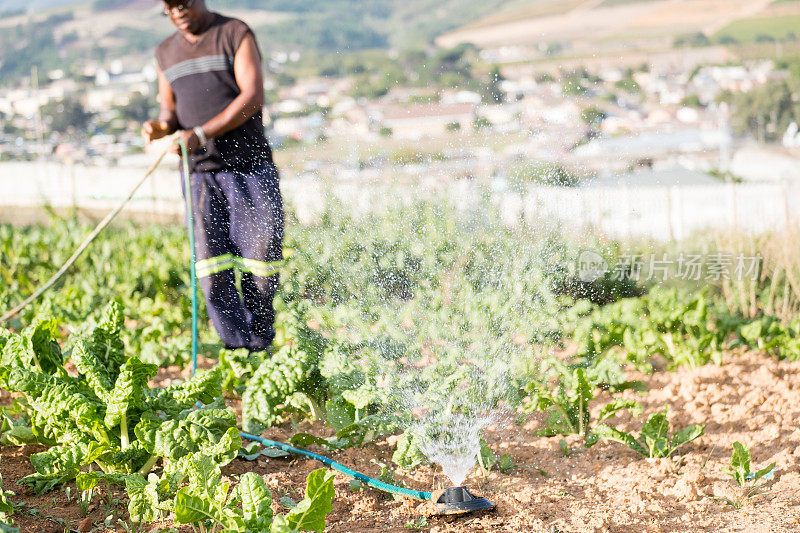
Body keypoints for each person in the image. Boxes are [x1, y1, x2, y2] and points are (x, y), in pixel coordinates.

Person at [142, 0, 283, 353]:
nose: (177, 12)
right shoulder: (165, 52)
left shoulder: (234, 33)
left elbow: (252, 97)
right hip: (199, 175)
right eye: (169, 8)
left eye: (183, 3)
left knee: (261, 257)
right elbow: (169, 113)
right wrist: (159, 127)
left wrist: (202, 134)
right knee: (211, 268)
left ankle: (261, 342)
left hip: (249, 166)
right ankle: (237, 351)